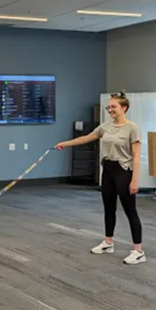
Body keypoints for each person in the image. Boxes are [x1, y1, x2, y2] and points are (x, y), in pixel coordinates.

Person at [55, 91, 145, 265]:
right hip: (108, 170)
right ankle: (108, 243)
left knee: (130, 211)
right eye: (109, 107)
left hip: (123, 171)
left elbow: (136, 156)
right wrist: (65, 144)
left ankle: (138, 250)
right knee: (108, 208)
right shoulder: (105, 127)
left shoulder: (132, 128)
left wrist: (134, 180)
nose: (110, 109)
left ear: (124, 108)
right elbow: (86, 138)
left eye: (113, 107)